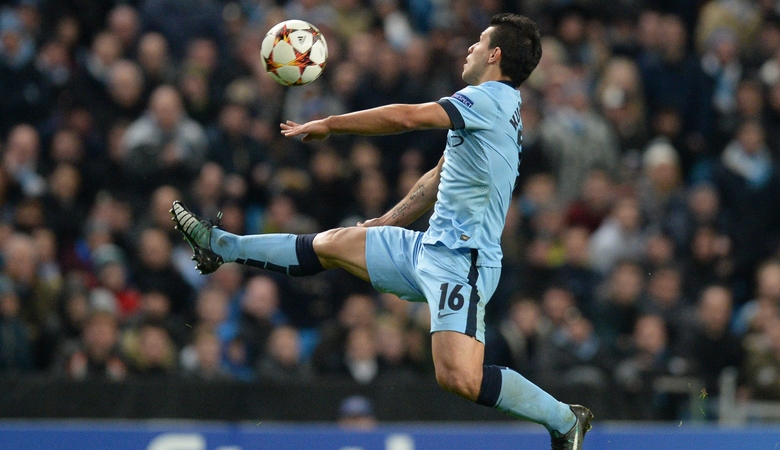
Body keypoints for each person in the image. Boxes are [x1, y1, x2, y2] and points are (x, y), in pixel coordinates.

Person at [171, 13, 592, 448]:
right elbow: (436, 179)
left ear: (495, 54)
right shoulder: (490, 110)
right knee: (334, 244)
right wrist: (385, 223)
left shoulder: (491, 98)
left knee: (458, 378)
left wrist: (332, 124)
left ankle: (563, 419)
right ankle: (218, 245)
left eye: (479, 41)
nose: (469, 48)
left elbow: (408, 117)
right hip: (428, 249)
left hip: (462, 264)